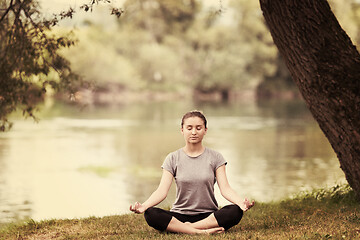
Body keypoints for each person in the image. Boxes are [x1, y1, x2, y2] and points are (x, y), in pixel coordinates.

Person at [130, 110, 255, 234]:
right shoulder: (172, 158)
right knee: (151, 214)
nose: (194, 132)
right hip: (180, 214)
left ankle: (185, 229)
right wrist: (144, 206)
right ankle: (201, 232)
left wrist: (240, 202)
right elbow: (162, 191)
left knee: (235, 211)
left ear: (205, 130)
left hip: (208, 216)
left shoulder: (216, 157)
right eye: (189, 128)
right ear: (182, 130)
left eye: (198, 128)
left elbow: (225, 188)